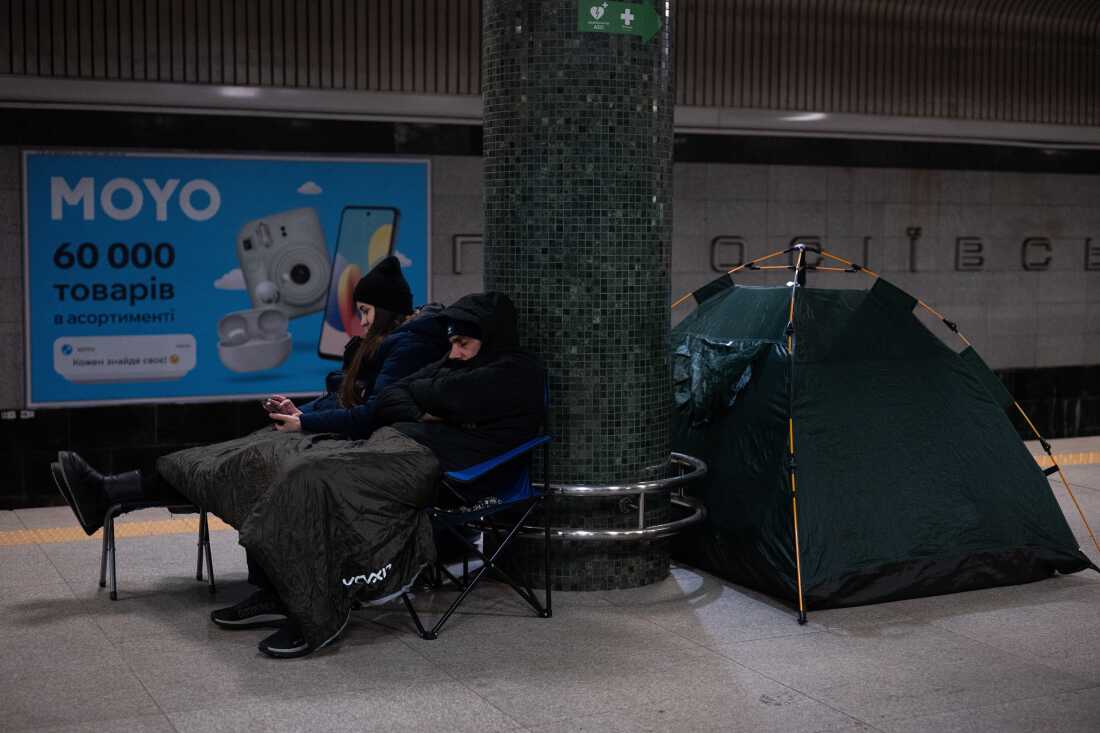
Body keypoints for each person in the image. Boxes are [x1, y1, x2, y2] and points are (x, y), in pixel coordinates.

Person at [50, 257, 448, 625]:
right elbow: (348, 398)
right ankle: (110, 491)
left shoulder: (408, 347)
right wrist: (300, 410)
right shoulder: (383, 343)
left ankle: (113, 494)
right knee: (227, 458)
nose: (359, 321)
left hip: (361, 445)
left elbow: (373, 412)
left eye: (365, 311)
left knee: (249, 465)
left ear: (387, 310)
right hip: (337, 434)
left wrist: (305, 421)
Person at [232, 291, 546, 657]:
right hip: (402, 445)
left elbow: (447, 394)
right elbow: (391, 398)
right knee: (292, 468)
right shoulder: (455, 363)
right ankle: (280, 591)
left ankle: (316, 612)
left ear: (491, 338)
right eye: (453, 343)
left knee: (316, 480)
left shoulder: (517, 371)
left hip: (450, 469)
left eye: (464, 343)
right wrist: (425, 406)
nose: (455, 352)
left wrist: (425, 397)